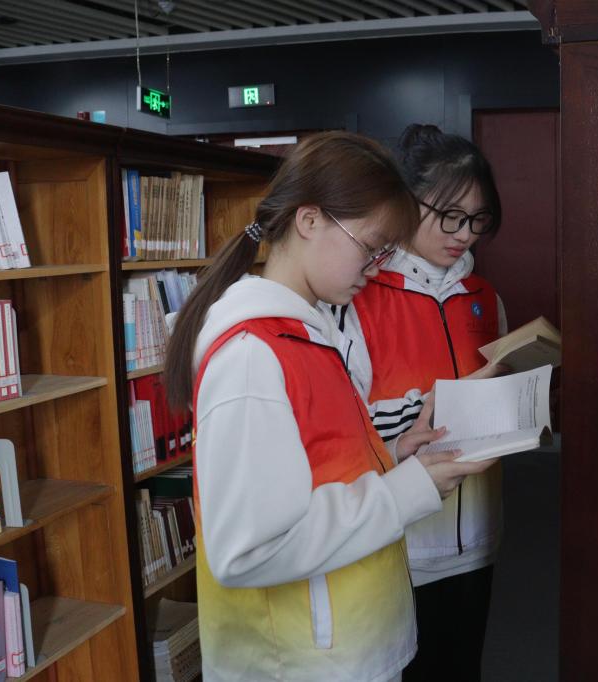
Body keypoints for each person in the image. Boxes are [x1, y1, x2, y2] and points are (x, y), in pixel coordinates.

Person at [164, 131, 494, 682]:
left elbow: (319, 469)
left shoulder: (309, 333)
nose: (377, 268)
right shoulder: (252, 356)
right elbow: (248, 549)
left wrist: (395, 453)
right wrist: (408, 489)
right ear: (310, 220)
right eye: (371, 247)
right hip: (299, 662)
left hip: (345, 647)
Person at [335, 124, 507, 681]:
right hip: (403, 539)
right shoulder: (360, 296)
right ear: (408, 202)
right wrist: (430, 409)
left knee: (465, 667)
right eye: (450, 217)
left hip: (477, 532)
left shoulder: (483, 297)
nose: (465, 235)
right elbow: (346, 428)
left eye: (478, 220)